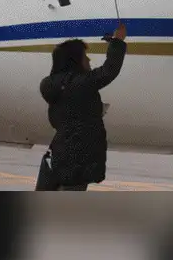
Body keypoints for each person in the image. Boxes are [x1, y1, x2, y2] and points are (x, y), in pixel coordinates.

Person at [35, 23, 127, 191]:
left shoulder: (53, 85)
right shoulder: (79, 85)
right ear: (75, 61)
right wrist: (118, 42)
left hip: (59, 155)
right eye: (85, 56)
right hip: (77, 162)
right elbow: (108, 71)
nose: (89, 60)